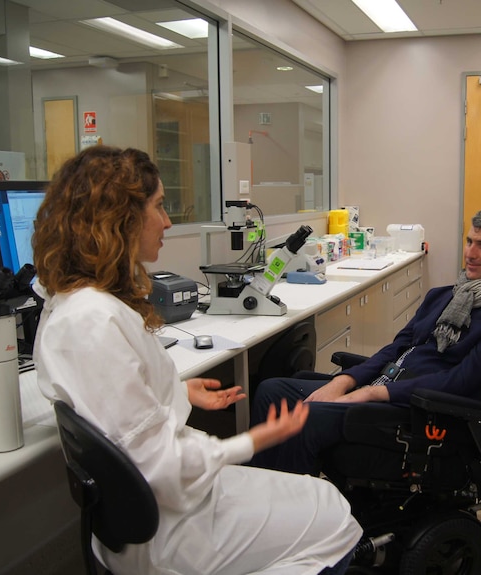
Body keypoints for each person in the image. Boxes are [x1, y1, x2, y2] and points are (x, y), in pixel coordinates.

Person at [31, 146, 361, 575]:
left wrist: (177, 388)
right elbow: (159, 466)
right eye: (159, 206)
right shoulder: (91, 321)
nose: (167, 221)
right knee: (335, 519)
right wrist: (254, 440)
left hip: (158, 508)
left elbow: (118, 410)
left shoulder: (75, 305)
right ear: (120, 216)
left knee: (323, 501)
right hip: (166, 529)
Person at [249, 208, 481, 475]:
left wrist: (371, 394)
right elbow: (396, 348)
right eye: (469, 241)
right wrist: (345, 381)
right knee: (271, 390)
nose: (470, 253)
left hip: (420, 407)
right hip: (385, 382)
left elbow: (463, 380)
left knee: (306, 416)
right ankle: (263, 492)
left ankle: (294, 513)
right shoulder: (445, 296)